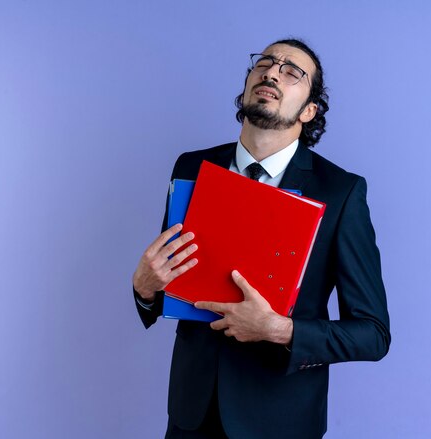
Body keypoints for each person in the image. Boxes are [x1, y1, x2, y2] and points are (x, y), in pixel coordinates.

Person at [132, 38, 391, 439]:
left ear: (309, 110)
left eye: (292, 72)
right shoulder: (192, 166)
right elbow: (173, 285)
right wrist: (144, 289)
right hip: (190, 414)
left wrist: (280, 330)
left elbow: (373, 334)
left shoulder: (341, 192)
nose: (272, 71)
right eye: (265, 63)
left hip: (279, 421)